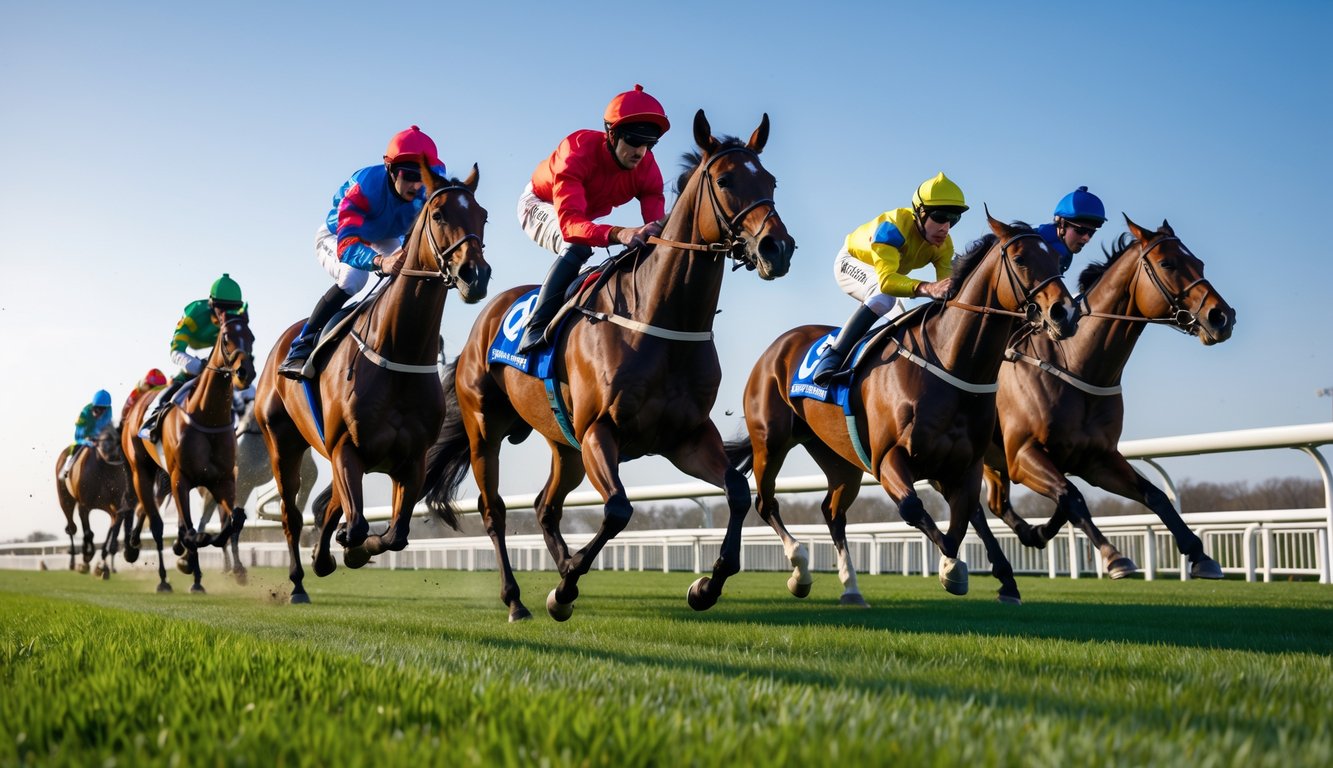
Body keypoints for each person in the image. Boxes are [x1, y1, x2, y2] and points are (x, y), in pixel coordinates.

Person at [278, 126, 446, 379]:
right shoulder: (363, 187)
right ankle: (301, 346)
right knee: (354, 279)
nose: (416, 184)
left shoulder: (429, 187)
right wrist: (380, 261)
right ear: (390, 170)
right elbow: (346, 247)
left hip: (385, 237)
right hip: (339, 237)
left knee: (409, 271)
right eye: (408, 175)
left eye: (421, 175)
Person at [516, 84, 671, 353]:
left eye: (650, 144)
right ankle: (536, 327)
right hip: (542, 203)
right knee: (577, 246)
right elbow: (570, 227)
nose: (641, 152)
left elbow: (656, 233)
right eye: (634, 141)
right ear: (612, 135)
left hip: (581, 214)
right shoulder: (576, 152)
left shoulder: (648, 169)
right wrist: (619, 232)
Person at [809, 172, 968, 386]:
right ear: (920, 212)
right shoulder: (892, 228)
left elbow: (947, 293)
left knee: (902, 321)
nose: (945, 227)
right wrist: (927, 287)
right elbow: (886, 283)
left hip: (887, 275)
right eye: (940, 217)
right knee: (884, 297)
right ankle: (832, 357)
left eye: (953, 220)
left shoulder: (944, 244)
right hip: (852, 263)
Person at [137, 274, 246, 440]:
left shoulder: (237, 317)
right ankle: (151, 420)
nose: (226, 314)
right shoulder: (195, 313)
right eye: (221, 308)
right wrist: (198, 366)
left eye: (231, 308)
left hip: (223, 367)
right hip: (192, 365)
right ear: (211, 305)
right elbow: (175, 351)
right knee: (171, 393)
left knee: (248, 393)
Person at [1036, 186, 1107, 274]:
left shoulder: (1063, 253)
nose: (1087, 238)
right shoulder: (1037, 248)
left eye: (1091, 233)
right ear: (1062, 224)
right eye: (1081, 230)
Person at [61, 390, 112, 479]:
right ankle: (67, 468)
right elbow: (78, 437)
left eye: (103, 409)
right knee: (77, 448)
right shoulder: (84, 414)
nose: (101, 412)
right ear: (93, 407)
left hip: (99, 437)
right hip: (84, 439)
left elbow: (107, 427)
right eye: (98, 409)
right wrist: (88, 441)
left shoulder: (108, 411)